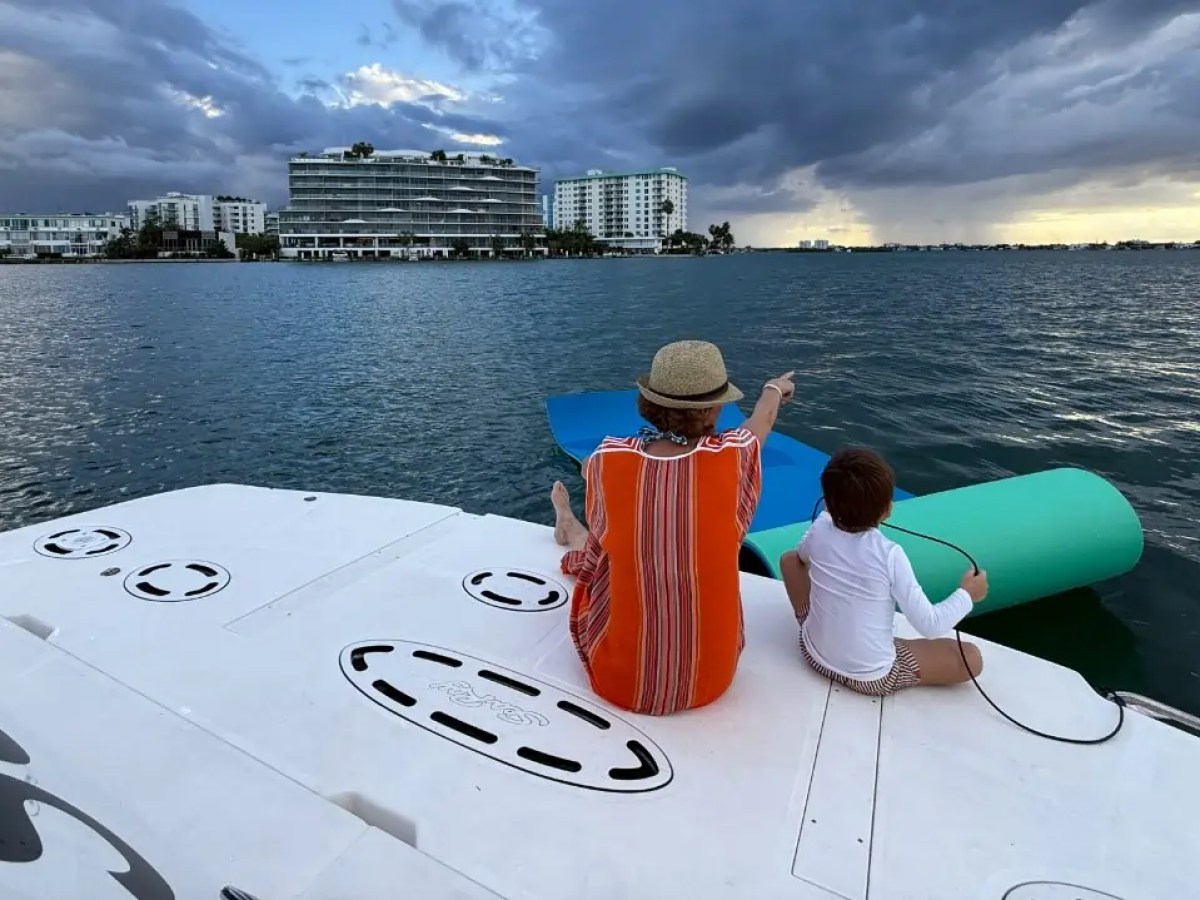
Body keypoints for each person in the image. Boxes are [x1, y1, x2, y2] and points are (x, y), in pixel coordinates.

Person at [550, 340, 795, 715]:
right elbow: (762, 420)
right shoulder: (734, 454)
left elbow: (593, 474)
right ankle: (569, 526)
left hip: (623, 681)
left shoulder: (608, 458)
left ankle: (567, 523)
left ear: (650, 403)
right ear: (715, 409)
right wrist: (775, 388)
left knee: (606, 549)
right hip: (712, 677)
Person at [779, 446, 988, 696]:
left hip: (812, 652)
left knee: (789, 560)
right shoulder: (890, 555)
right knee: (972, 658)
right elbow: (930, 624)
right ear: (887, 509)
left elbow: (801, 557)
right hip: (872, 679)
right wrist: (967, 595)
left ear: (828, 501)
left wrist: (828, 525)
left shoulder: (820, 529)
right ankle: (878, 654)